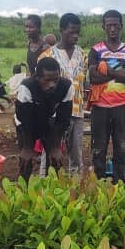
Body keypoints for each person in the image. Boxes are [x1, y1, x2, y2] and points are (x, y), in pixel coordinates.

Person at [88, 10, 125, 182]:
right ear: (103, 27)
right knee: (98, 148)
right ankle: (98, 184)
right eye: (109, 25)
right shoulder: (96, 50)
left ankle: (119, 183)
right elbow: (93, 77)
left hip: (122, 106)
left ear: (121, 26)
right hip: (100, 107)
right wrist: (121, 72)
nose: (113, 29)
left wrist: (108, 71)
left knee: (122, 147)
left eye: (116, 25)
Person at [39, 13, 87, 174]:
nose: (75, 36)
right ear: (62, 30)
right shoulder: (47, 57)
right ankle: (46, 189)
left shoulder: (82, 55)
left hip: (76, 112)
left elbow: (86, 82)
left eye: (77, 32)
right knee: (51, 155)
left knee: (76, 157)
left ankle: (76, 192)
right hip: (54, 115)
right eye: (71, 31)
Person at [14, 57, 71, 180]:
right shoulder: (27, 87)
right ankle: (24, 189)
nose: (52, 85)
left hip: (49, 121)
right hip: (27, 123)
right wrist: (28, 147)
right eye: (47, 80)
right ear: (37, 77)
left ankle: (52, 189)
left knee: (56, 159)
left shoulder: (66, 86)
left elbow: (63, 119)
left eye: (55, 80)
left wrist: (56, 146)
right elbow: (24, 119)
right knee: (26, 159)